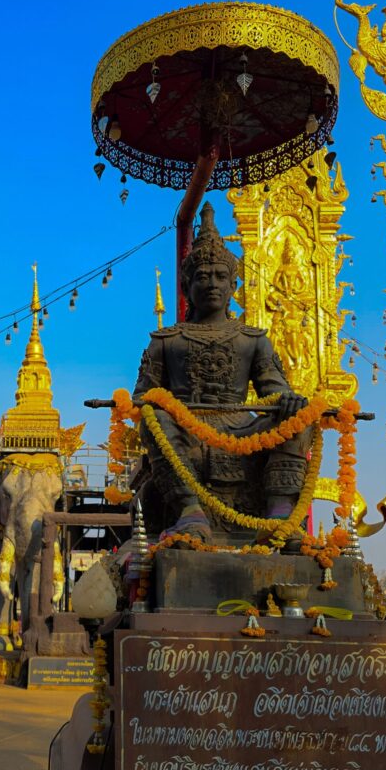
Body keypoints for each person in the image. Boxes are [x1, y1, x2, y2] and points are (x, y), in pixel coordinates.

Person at [134, 202, 311, 544]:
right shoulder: (166, 341)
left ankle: (279, 514)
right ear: (187, 288)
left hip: (243, 429)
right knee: (153, 416)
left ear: (233, 287)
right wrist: (162, 408)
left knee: (300, 416)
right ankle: (189, 510)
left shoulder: (252, 340)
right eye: (201, 276)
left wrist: (288, 403)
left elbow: (273, 392)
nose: (211, 284)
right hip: (185, 430)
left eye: (220, 276)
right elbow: (143, 395)